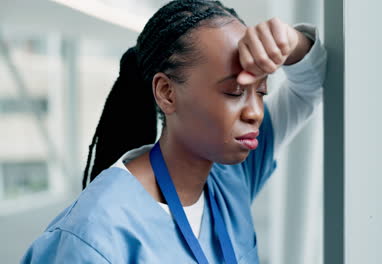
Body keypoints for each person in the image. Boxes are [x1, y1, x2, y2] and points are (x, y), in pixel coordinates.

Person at [21, 0, 327, 263]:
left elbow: (310, 85)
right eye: (235, 92)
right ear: (167, 93)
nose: (255, 112)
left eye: (261, 91)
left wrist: (290, 42)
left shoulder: (232, 175)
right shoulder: (93, 237)